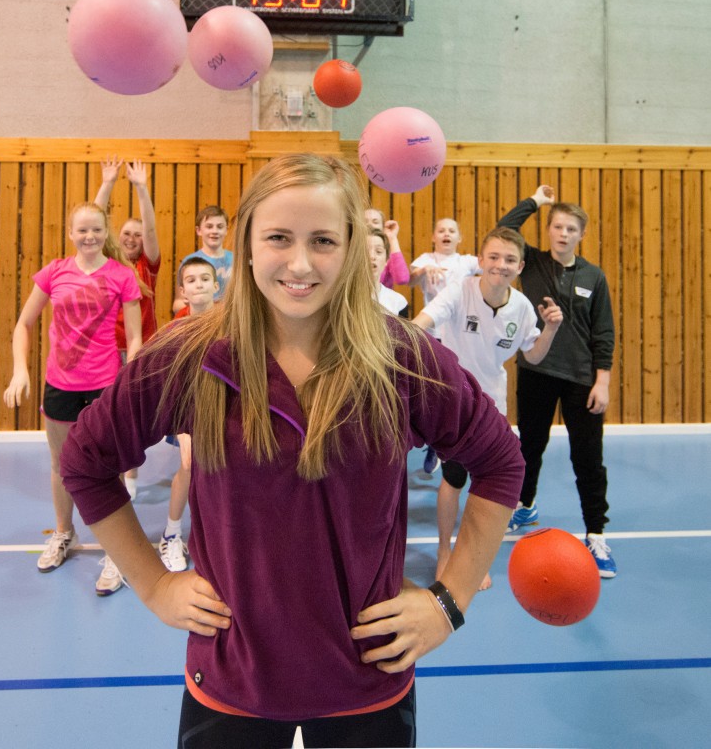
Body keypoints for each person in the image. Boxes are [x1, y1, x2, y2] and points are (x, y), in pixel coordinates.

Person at [60, 153, 525, 748]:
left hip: (369, 680)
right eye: (279, 237)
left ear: (354, 247)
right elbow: (86, 462)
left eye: (324, 240)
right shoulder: (189, 357)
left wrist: (449, 602)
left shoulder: (403, 359)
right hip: (232, 683)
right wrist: (154, 585)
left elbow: (501, 463)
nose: (300, 264)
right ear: (247, 242)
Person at [3, 202, 143, 597]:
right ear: (70, 233)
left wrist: (130, 378)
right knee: (61, 465)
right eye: (82, 230)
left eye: (96, 230)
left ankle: (117, 551)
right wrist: (20, 369)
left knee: (108, 467)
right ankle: (65, 534)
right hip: (60, 385)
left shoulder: (121, 275)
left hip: (103, 385)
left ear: (106, 232)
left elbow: (134, 337)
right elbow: (24, 324)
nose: (89, 237)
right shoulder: (54, 273)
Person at [413, 227, 563, 590]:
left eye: (510, 259)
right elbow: (426, 320)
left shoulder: (523, 307)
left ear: (520, 266)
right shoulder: (460, 290)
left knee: (486, 483)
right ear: (480, 261)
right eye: (494, 257)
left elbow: (533, 354)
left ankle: (473, 558)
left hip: (493, 404)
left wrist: (552, 329)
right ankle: (445, 553)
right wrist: (403, 339)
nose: (501, 265)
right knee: (453, 479)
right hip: (453, 401)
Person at [498, 185, 617, 578]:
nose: (563, 234)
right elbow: (503, 231)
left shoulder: (593, 277)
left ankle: (596, 533)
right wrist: (535, 202)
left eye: (571, 229)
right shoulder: (530, 263)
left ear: (581, 235)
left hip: (581, 378)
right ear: (548, 231)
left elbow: (603, 332)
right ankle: (525, 505)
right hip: (536, 370)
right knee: (529, 446)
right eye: (558, 227)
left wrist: (602, 381)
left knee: (587, 457)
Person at [95, 156, 161, 501]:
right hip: (105, 353)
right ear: (115, 239)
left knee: (130, 416)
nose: (133, 238)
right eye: (126, 234)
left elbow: (150, 230)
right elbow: (94, 223)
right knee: (104, 415)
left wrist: (141, 188)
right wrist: (107, 184)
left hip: (139, 352)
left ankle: (130, 477)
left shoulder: (146, 267)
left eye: (136, 234)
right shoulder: (107, 265)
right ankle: (106, 474)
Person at [159, 257, 219, 573]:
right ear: (183, 292)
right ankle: (171, 533)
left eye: (205, 279)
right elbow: (172, 385)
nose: (199, 285)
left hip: (223, 412)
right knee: (188, 467)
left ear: (216, 286)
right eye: (192, 280)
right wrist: (183, 430)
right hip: (188, 414)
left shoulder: (230, 325)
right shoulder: (175, 332)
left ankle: (220, 539)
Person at [410, 217, 480, 474]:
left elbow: (490, 267)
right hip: (431, 332)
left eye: (452, 230)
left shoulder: (466, 262)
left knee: (453, 388)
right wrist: (422, 272)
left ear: (459, 238)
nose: (446, 233)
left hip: (459, 335)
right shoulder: (425, 259)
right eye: (441, 230)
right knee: (428, 389)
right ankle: (428, 436)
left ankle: (441, 442)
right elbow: (408, 279)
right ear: (434, 237)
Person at [173, 205, 233, 312]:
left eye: (219, 227)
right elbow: (177, 304)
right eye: (209, 226)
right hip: (201, 322)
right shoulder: (188, 263)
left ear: (226, 230)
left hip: (230, 320)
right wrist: (194, 305)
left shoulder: (236, 260)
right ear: (199, 230)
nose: (214, 231)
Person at [368, 227, 409, 317]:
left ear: (386, 260)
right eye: (365, 251)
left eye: (378, 251)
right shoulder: (342, 299)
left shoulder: (398, 302)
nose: (372, 256)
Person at [364, 208, 410, 289]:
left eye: (375, 222)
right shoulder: (349, 248)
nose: (370, 225)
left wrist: (392, 238)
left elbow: (402, 279)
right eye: (365, 221)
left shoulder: (384, 253)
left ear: (383, 227)